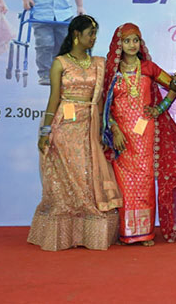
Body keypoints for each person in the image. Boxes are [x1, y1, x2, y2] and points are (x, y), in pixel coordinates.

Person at [28, 15, 122, 251]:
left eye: (95, 34)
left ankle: (88, 232)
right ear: (76, 35)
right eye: (90, 33)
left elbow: (101, 100)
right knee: (67, 177)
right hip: (64, 126)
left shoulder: (98, 63)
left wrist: (104, 129)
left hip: (89, 126)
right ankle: (65, 232)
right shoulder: (60, 63)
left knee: (88, 175)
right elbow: (54, 99)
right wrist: (45, 131)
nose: (94, 38)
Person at [102, 23, 176, 245]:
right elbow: (104, 106)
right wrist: (114, 130)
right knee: (124, 185)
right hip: (121, 136)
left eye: (136, 40)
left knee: (145, 181)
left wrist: (161, 108)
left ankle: (144, 233)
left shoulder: (148, 67)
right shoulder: (111, 71)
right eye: (127, 41)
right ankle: (126, 232)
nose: (132, 45)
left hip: (144, 134)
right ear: (119, 44)